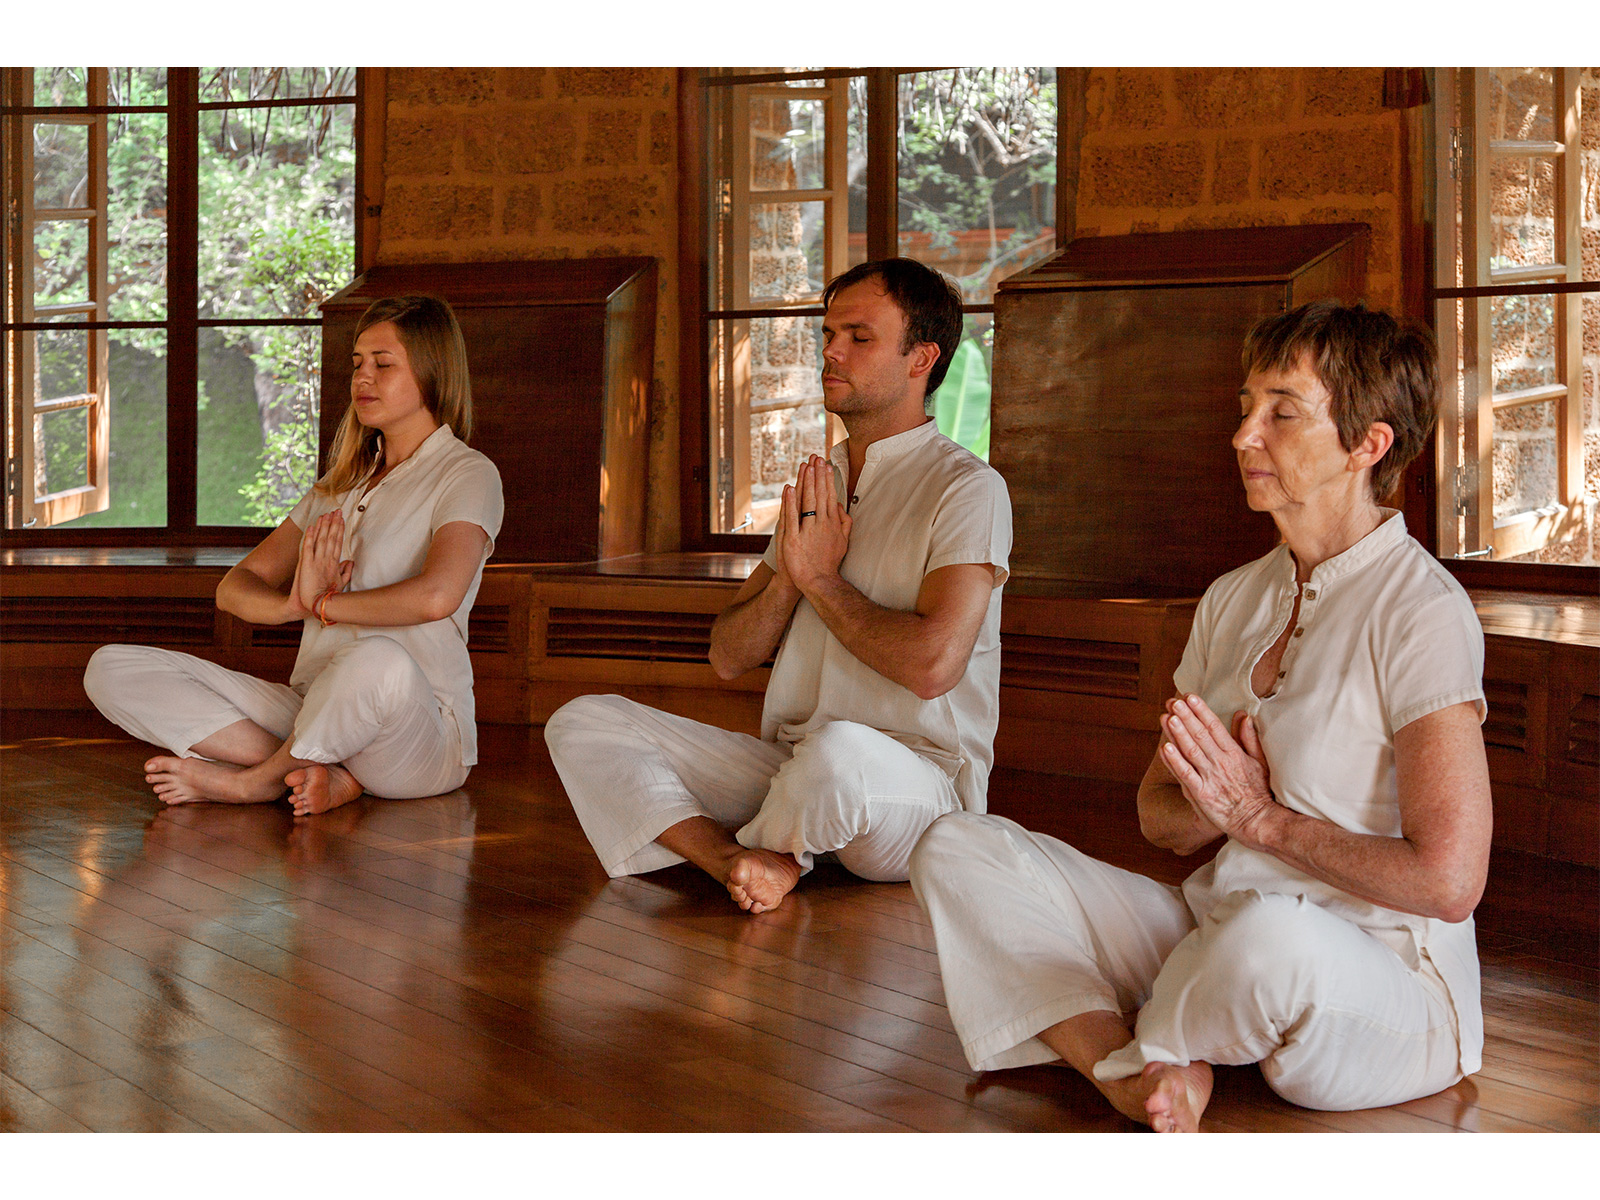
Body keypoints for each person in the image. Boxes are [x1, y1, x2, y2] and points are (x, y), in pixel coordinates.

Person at [910, 300, 1492, 1131]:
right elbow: (1159, 818)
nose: (1244, 435)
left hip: (1375, 979)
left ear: (1370, 444)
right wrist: (1210, 810)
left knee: (1268, 941)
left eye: (1283, 414)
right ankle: (1137, 1064)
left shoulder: (1421, 612)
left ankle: (1157, 1050)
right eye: (1245, 407)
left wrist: (1262, 820)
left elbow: (1449, 882)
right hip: (1214, 928)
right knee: (958, 844)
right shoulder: (1233, 599)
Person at [545, 258, 1012, 914]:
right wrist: (792, 577)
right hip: (791, 767)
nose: (832, 351)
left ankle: (779, 848)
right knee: (585, 721)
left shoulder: (967, 488)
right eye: (827, 335)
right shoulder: (820, 484)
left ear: (922, 358)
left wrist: (819, 576)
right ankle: (737, 859)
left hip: (910, 792)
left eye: (859, 336)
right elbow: (728, 655)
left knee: (839, 755)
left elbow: (933, 666)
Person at [84, 295, 504, 817]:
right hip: (313, 708)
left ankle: (256, 781)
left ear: (433, 373)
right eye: (357, 365)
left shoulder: (468, 472)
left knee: (378, 659)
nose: (362, 379)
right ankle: (324, 770)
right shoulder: (340, 484)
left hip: (419, 732)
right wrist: (293, 605)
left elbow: (438, 595)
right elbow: (234, 586)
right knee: (112, 668)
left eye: (383, 364)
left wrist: (325, 605)